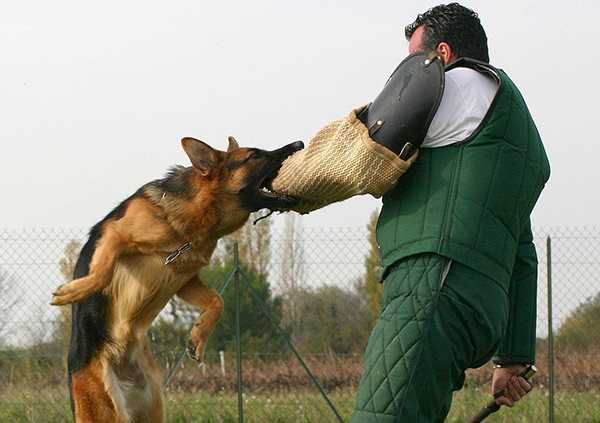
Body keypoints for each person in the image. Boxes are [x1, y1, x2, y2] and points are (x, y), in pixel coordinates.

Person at [347, 4, 551, 422]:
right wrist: (512, 357)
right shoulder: (501, 136)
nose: (410, 72)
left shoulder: (460, 84)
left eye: (414, 60)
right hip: (470, 300)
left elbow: (359, 151)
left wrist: (267, 182)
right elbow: (522, 252)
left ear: (441, 55)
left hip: (433, 285)